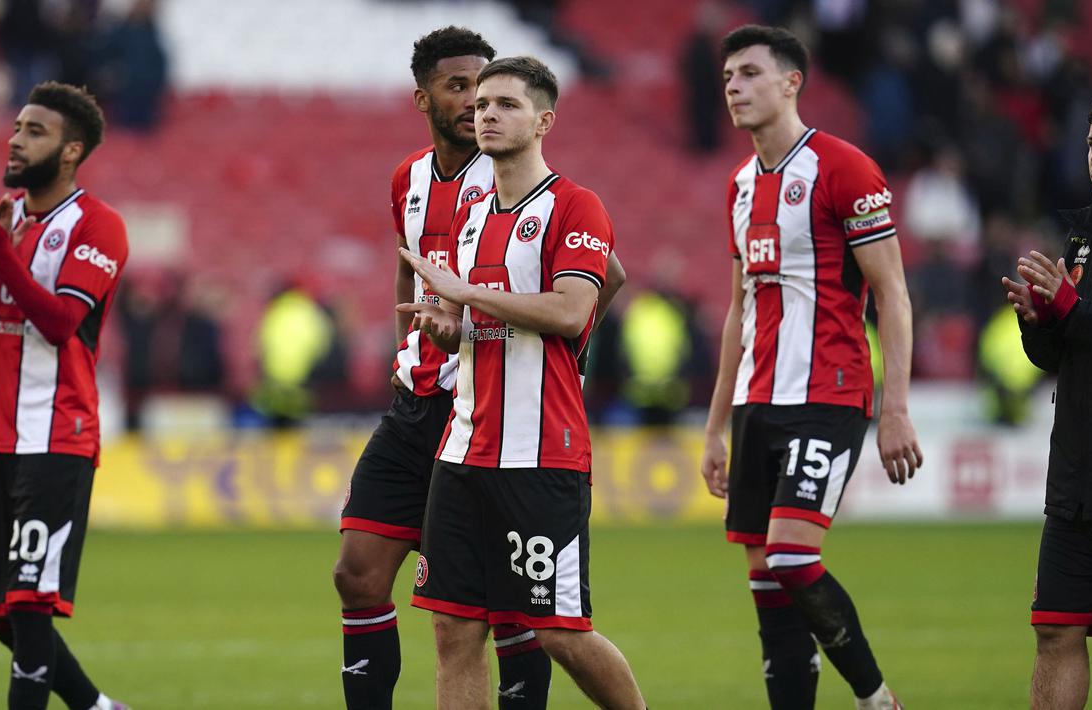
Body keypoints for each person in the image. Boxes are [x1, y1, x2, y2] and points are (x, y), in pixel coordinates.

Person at [400, 55, 646, 710]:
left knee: (558, 631)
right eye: (480, 105)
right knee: (453, 628)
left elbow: (572, 308)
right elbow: (469, 320)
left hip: (539, 454)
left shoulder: (574, 205)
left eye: (505, 104)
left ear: (543, 121)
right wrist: (443, 325)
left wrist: (473, 295)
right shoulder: (474, 211)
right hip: (462, 451)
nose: (486, 115)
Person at [699, 25, 922, 710]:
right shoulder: (739, 184)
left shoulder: (843, 168)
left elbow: (890, 291)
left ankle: (875, 697)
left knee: (793, 557)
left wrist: (894, 408)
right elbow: (740, 310)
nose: (733, 86)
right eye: (728, 75)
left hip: (827, 391)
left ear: (791, 81)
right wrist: (714, 428)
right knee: (767, 582)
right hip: (754, 401)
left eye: (749, 73)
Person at [332, 27, 555, 710]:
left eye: (485, 89)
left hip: (483, 409)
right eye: (457, 87)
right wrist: (410, 345)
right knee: (357, 575)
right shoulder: (408, 178)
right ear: (421, 96)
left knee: (486, 607)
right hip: (415, 405)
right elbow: (409, 261)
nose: (473, 101)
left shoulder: (514, 177)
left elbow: (597, 279)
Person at [0, 81, 129, 710]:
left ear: (71, 151)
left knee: (30, 604)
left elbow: (59, 321)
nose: (16, 139)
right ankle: (97, 708)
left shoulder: (98, 226)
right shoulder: (4, 217)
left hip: (57, 435)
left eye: (34, 131)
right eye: (17, 126)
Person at [1004, 98, 1092, 710]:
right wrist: (1040, 323)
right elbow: (1063, 355)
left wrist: (1069, 309)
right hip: (1077, 477)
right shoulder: (1084, 235)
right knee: (1055, 628)